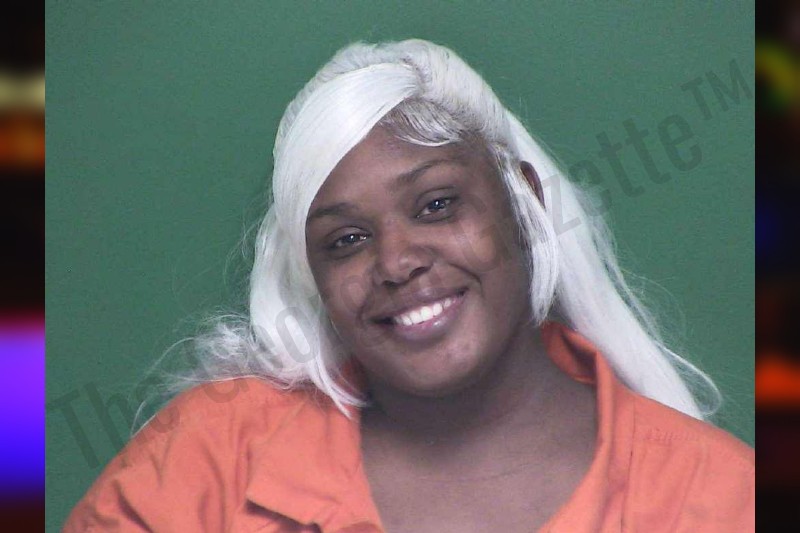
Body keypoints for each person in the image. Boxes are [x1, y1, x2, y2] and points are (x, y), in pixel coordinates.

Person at [64, 39, 753, 532]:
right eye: (346, 240)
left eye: (437, 205)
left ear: (526, 204)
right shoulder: (206, 457)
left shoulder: (723, 499)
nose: (396, 262)